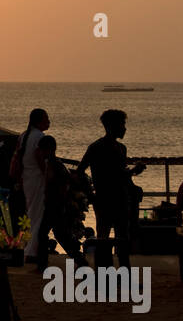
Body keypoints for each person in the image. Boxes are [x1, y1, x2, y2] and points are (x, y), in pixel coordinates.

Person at [79, 109, 145, 270]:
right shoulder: (99, 147)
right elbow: (116, 174)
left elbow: (120, 175)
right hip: (105, 199)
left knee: (121, 238)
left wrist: (132, 183)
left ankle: (122, 273)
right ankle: (108, 272)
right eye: (122, 124)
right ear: (112, 126)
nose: (124, 128)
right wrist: (90, 194)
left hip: (117, 199)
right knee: (107, 237)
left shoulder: (119, 148)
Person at [35, 136, 89, 272]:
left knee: (49, 234)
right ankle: (79, 260)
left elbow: (61, 183)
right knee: (59, 234)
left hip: (55, 204)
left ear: (48, 150)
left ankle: (43, 265)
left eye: (42, 150)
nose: (40, 153)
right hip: (55, 204)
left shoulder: (54, 164)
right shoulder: (54, 163)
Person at [9, 109, 49, 261]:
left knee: (32, 214)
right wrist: (46, 173)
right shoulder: (39, 136)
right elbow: (39, 156)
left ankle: (30, 247)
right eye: (46, 118)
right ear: (39, 121)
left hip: (26, 179)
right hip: (37, 179)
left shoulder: (24, 135)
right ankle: (32, 250)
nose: (49, 121)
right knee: (37, 215)